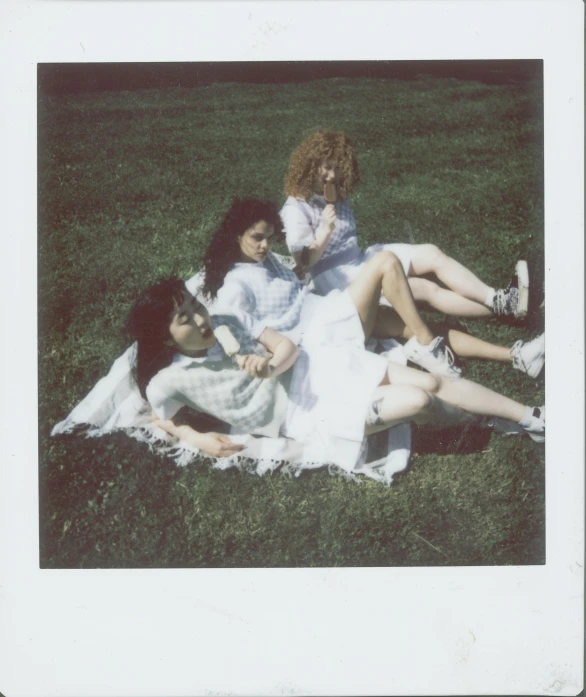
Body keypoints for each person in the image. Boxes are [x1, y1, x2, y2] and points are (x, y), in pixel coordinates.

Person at [126, 277, 544, 472]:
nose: (199, 318)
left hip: (317, 366)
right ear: (165, 339)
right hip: (305, 414)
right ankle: (483, 420)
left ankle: (530, 417)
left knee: (431, 382)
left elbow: (286, 345)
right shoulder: (168, 380)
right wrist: (194, 436)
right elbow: (161, 416)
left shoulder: (225, 321)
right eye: (185, 318)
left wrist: (270, 365)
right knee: (419, 401)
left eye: (195, 306)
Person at [202, 198, 545, 380]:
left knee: (415, 326)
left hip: (328, 311)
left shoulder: (266, 261)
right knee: (384, 262)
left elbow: (297, 278)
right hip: (321, 334)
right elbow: (229, 328)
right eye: (256, 238)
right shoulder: (235, 285)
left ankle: (516, 356)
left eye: (267, 237)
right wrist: (252, 360)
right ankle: (428, 345)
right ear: (236, 236)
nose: (264, 245)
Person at [279, 130, 530, 321]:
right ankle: (504, 311)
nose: (332, 176)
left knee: (431, 252)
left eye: (337, 169)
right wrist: (324, 231)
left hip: (361, 259)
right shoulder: (295, 208)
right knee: (425, 289)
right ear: (311, 165)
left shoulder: (335, 193)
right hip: (338, 279)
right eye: (326, 168)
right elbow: (304, 263)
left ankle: (498, 299)